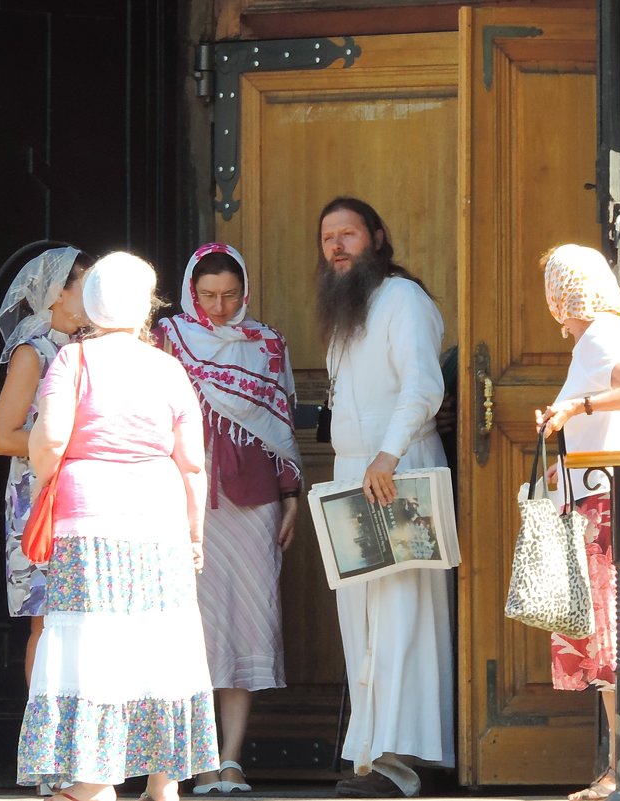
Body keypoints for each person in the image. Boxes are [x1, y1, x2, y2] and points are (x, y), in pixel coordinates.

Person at [16, 252, 218, 801]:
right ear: (143, 306)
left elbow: (50, 441)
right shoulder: (169, 368)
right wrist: (194, 535)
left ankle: (92, 780)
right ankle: (164, 780)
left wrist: (41, 473)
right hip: (160, 520)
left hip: (89, 521)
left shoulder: (72, 362)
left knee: (95, 643)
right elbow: (193, 465)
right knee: (160, 639)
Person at [316, 197, 454, 799]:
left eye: (349, 234)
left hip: (399, 471)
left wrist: (388, 454)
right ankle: (371, 755)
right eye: (328, 238)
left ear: (377, 235)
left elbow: (423, 385)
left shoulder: (403, 299)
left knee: (401, 615)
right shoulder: (348, 311)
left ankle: (404, 759)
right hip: (354, 475)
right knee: (360, 622)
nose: (338, 246)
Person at [157, 242, 302, 795]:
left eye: (229, 295)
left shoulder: (266, 344)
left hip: (253, 501)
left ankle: (231, 759)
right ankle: (194, 757)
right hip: (182, 502)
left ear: (245, 293)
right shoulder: (168, 338)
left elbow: (281, 422)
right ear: (191, 291)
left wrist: (290, 495)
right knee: (191, 628)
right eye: (207, 295)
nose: (217, 308)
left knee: (247, 624)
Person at [534, 244, 620, 801]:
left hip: (607, 509)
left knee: (615, 642)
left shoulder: (600, 337)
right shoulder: (612, 336)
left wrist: (576, 410)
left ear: (564, 292)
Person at [0, 246, 92, 691]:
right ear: (56, 295)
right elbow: (2, 436)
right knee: (47, 623)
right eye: (85, 289)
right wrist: (63, 448)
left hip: (85, 499)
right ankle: (41, 745)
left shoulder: (91, 349)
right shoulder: (33, 353)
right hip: (40, 502)